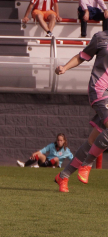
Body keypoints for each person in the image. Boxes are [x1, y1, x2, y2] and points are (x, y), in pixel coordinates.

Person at [54, 30, 108, 192]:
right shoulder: (101, 38)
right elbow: (82, 55)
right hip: (100, 90)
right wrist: (65, 67)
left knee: (92, 141)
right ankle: (87, 164)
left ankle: (63, 176)